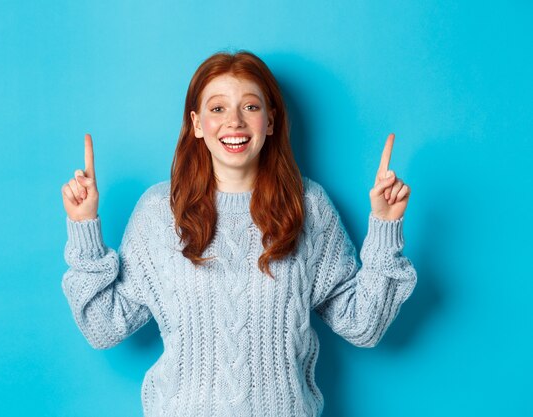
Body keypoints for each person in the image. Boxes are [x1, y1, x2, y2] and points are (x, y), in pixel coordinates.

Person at [60, 50, 417, 417]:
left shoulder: (308, 206)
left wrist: (384, 227)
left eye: (250, 107)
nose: (234, 122)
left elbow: (363, 325)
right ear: (197, 124)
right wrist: (85, 226)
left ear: (271, 121)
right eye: (217, 109)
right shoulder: (158, 212)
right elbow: (103, 327)